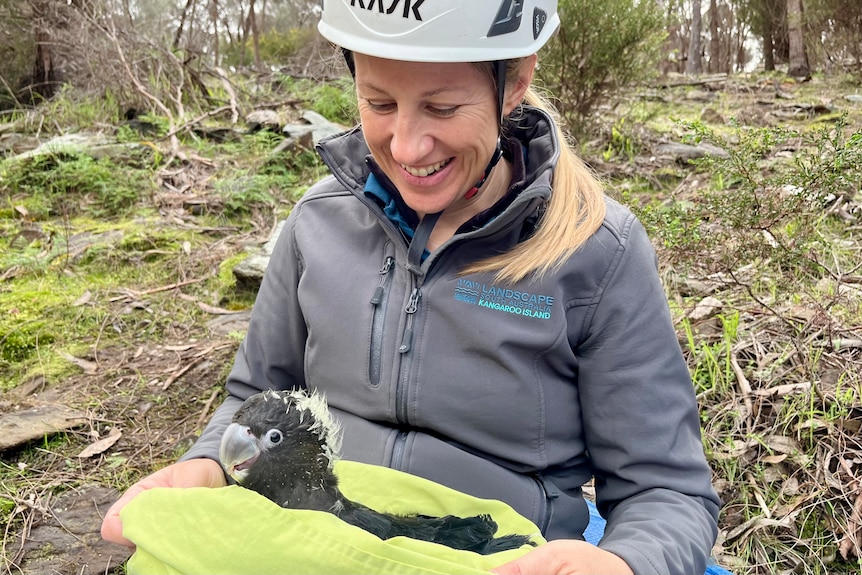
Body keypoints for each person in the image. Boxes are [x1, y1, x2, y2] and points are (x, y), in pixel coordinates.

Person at [101, 1, 720, 573]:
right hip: (306, 540)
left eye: (443, 108)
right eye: (378, 102)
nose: (405, 145)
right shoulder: (316, 223)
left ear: (517, 80)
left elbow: (664, 489)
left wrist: (626, 561)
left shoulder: (597, 251)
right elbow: (259, 394)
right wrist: (210, 463)